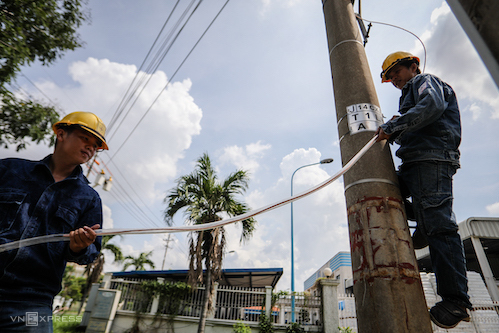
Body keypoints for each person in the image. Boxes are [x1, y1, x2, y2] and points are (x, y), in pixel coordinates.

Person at [375, 51, 471, 329]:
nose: (394, 79)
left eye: (397, 73)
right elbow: (416, 119)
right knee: (385, 193)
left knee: (441, 226)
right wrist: (396, 127)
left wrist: (393, 126)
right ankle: (424, 226)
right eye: (390, 77)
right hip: (414, 162)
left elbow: (431, 106)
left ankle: (456, 301)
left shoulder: (424, 82)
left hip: (432, 159)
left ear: (413, 66)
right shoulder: (408, 100)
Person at [0, 111, 108, 332]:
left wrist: (78, 248)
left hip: (31, 303)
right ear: (61, 134)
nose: (90, 147)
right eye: (85, 138)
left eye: (95, 145)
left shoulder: (89, 198)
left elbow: (91, 252)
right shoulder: (9, 170)